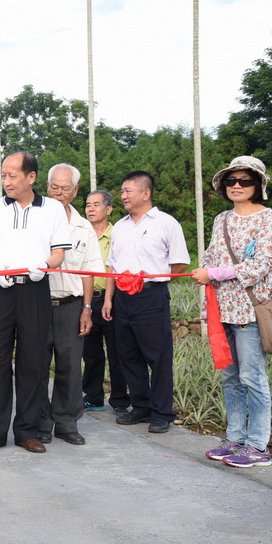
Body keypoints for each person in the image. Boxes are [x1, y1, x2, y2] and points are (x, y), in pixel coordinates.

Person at [0, 151, 70, 454]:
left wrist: (45, 265)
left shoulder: (52, 209)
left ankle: (27, 431)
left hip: (35, 290)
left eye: (12, 175)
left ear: (31, 177)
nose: (6, 181)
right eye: (3, 175)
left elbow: (59, 253)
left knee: (33, 363)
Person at [192, 156, 272, 468]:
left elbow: (262, 265)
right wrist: (205, 275)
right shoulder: (221, 220)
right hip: (222, 311)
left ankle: (257, 445)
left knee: (252, 377)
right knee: (230, 377)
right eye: (232, 181)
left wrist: (214, 273)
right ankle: (234, 438)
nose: (237, 186)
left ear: (258, 185)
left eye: (245, 181)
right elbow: (210, 257)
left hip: (251, 312)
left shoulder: (268, 219)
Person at [103, 171, 189, 433]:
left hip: (151, 296)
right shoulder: (120, 226)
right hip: (122, 298)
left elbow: (180, 262)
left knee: (158, 356)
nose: (124, 196)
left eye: (128, 190)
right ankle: (140, 405)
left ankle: (162, 411)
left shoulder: (166, 223)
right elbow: (112, 266)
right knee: (128, 354)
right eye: (122, 191)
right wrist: (109, 299)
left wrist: (152, 283)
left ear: (145, 193)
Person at [38, 164, 103, 446]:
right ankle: (39, 424)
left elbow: (89, 270)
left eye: (65, 188)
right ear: (47, 186)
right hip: (36, 304)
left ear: (75, 191)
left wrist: (87, 309)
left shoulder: (83, 227)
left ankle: (66, 423)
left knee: (69, 366)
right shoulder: (35, 220)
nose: (59, 193)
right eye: (54, 186)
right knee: (36, 365)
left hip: (70, 305)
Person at [81, 189, 130, 413]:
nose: (90, 209)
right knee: (90, 352)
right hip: (87, 300)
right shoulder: (81, 234)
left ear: (108, 209)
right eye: (88, 205)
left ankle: (120, 399)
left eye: (96, 205)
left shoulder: (119, 234)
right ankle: (93, 397)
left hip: (113, 299)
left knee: (117, 350)